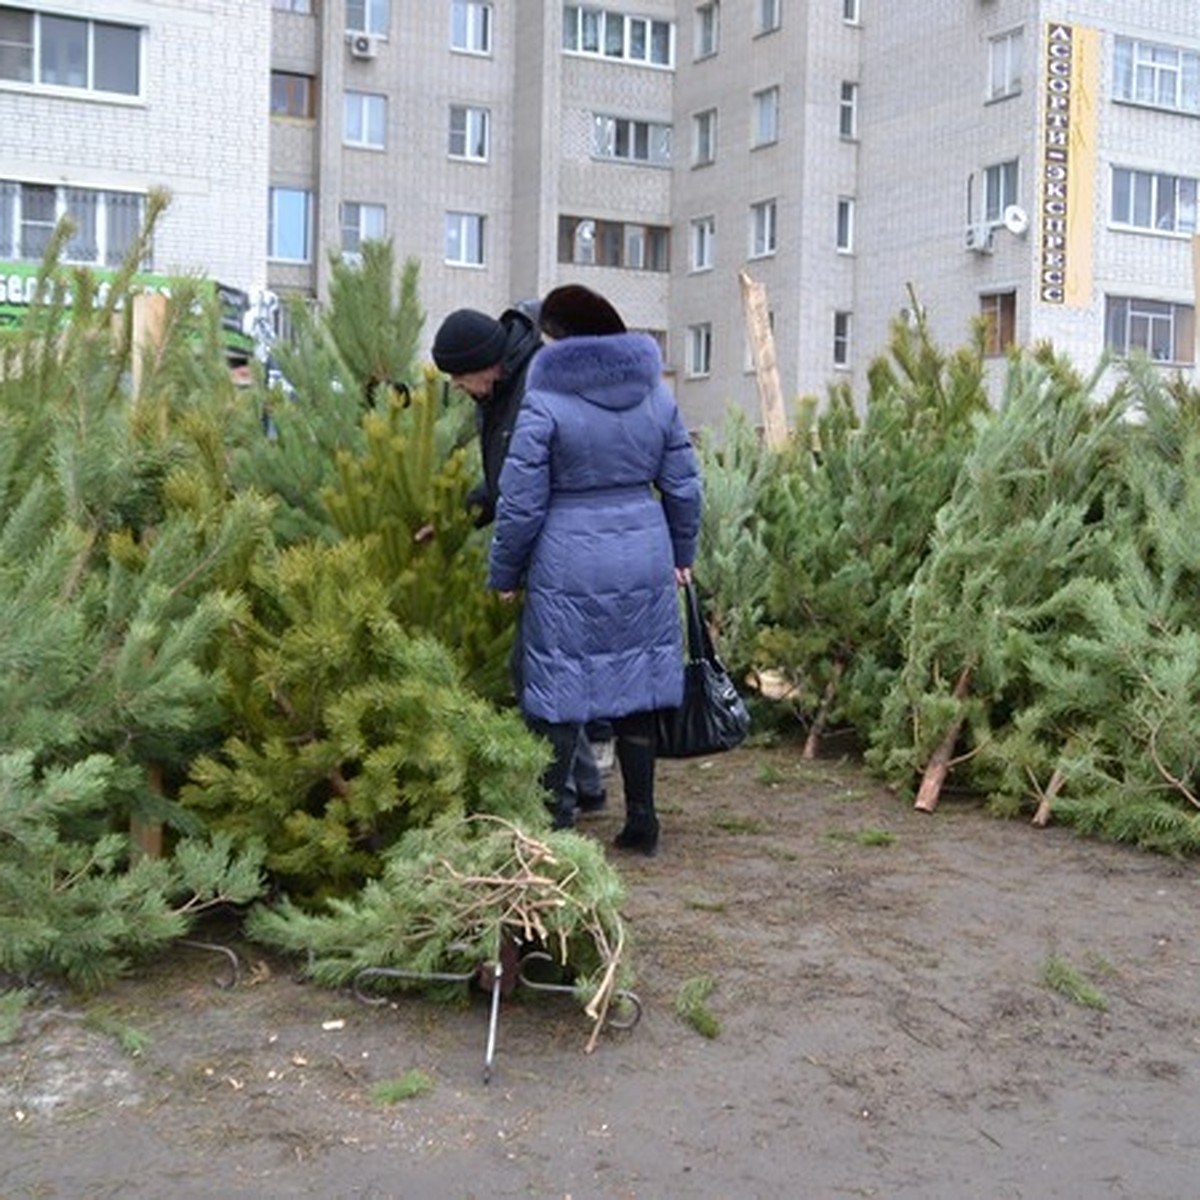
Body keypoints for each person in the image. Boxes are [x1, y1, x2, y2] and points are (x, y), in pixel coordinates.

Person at [487, 284, 703, 855]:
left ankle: (555, 827)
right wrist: (683, 555)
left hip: (569, 559)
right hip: (645, 553)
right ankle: (643, 822)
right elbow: (683, 485)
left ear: (556, 339)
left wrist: (505, 572)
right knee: (637, 687)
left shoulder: (545, 401)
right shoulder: (657, 398)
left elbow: (521, 501)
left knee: (558, 689)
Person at [431, 302, 611, 815]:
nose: (460, 390)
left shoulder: (539, 387)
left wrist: (506, 570)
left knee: (541, 674)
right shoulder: (503, 388)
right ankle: (585, 788)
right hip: (556, 547)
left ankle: (556, 809)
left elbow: (531, 490)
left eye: (461, 379)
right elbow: (505, 481)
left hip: (572, 548)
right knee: (544, 672)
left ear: (485, 362)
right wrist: (458, 516)